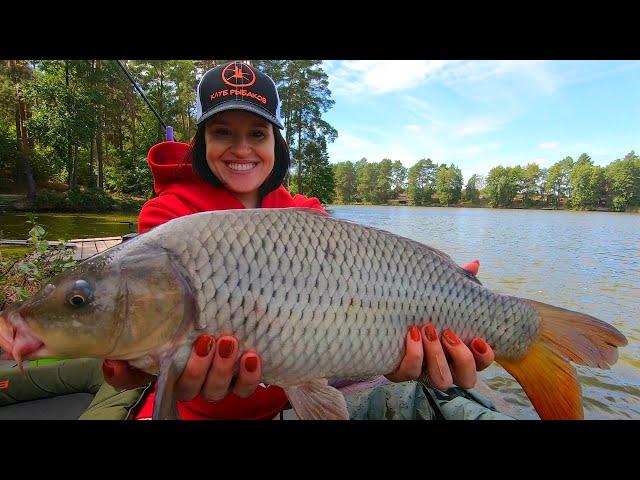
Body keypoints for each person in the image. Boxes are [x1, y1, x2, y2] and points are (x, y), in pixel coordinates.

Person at [0, 61, 509, 420]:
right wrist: (118, 366)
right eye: (223, 132)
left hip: (286, 403)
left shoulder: (308, 218)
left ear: (276, 143)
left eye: (258, 134)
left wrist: (443, 300)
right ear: (202, 142)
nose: (241, 148)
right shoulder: (168, 220)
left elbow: (366, 313)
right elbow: (126, 367)